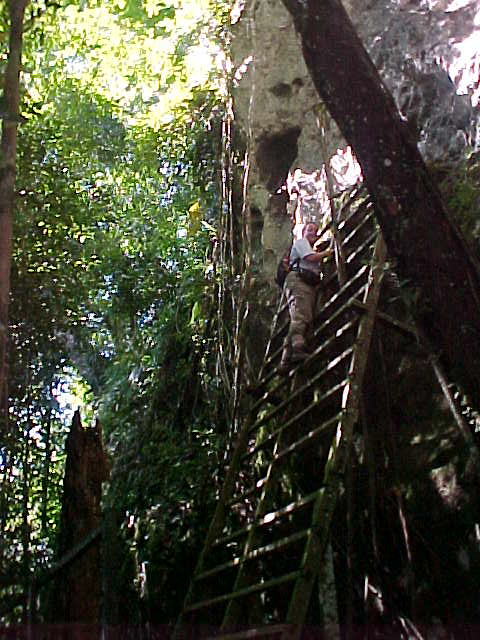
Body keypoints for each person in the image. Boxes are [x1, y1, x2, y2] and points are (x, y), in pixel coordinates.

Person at [280, 222, 334, 371]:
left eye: (315, 231)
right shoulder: (301, 243)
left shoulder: (309, 246)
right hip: (298, 281)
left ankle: (285, 360)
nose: (313, 232)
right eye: (310, 229)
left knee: (303, 316)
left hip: (306, 284)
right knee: (301, 315)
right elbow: (310, 258)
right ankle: (297, 349)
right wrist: (327, 253)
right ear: (303, 232)